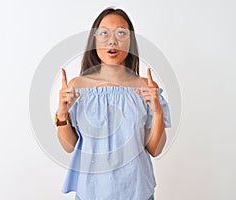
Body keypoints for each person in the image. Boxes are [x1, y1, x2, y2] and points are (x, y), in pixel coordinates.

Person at [54, 7, 171, 200]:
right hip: (91, 193)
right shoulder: (77, 86)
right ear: (94, 40)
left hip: (137, 192)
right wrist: (62, 114)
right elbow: (69, 146)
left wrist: (157, 112)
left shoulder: (145, 87)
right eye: (104, 33)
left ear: (130, 42)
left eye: (121, 33)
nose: (112, 40)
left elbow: (155, 150)